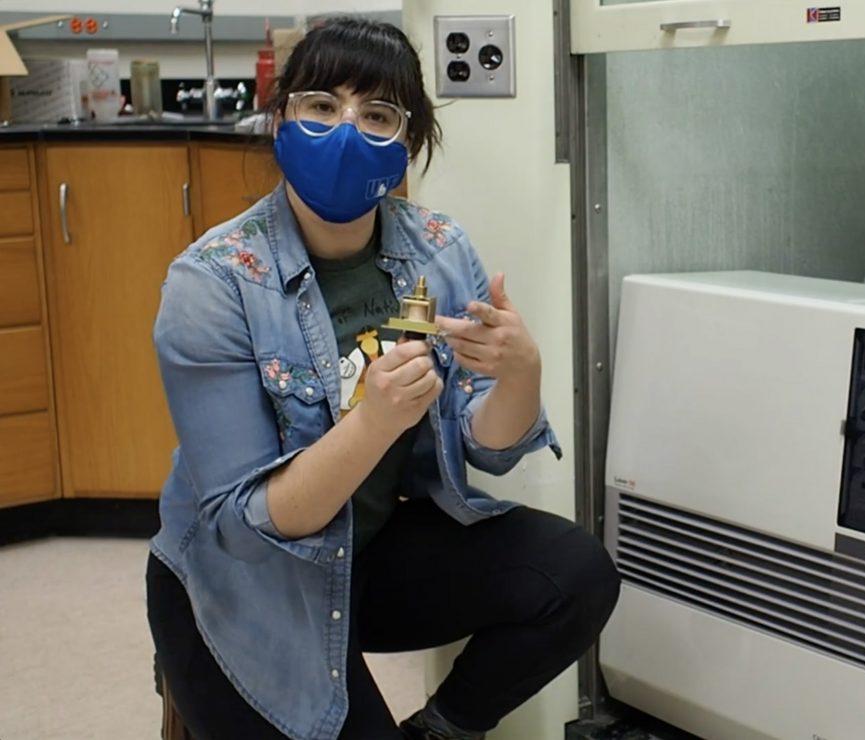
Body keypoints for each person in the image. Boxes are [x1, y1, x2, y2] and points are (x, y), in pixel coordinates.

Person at [144, 17, 620, 740]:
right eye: (321, 106)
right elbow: (253, 526)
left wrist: (521, 374)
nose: (344, 130)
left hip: (367, 549)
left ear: (408, 144)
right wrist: (374, 421)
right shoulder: (214, 283)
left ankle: (438, 730)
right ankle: (192, 667)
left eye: (375, 114)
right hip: (244, 587)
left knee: (575, 575)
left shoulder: (436, 247)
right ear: (280, 117)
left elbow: (485, 447)